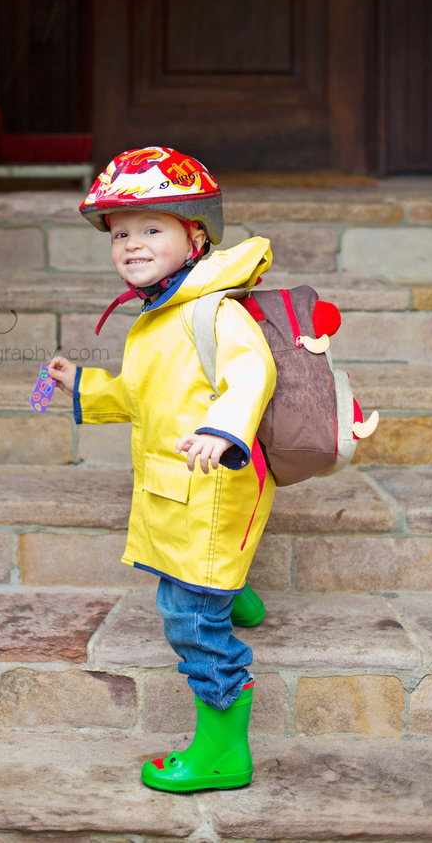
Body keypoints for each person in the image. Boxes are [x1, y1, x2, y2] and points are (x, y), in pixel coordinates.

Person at [48, 145, 276, 793]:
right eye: (121, 234)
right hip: (178, 495)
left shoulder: (214, 309)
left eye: (152, 228)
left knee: (189, 618)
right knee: (192, 571)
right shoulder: (154, 319)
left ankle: (223, 751)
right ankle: (228, 590)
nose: (132, 244)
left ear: (194, 235)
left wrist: (224, 424)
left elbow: (252, 372)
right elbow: (135, 395)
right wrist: (80, 385)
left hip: (209, 487)